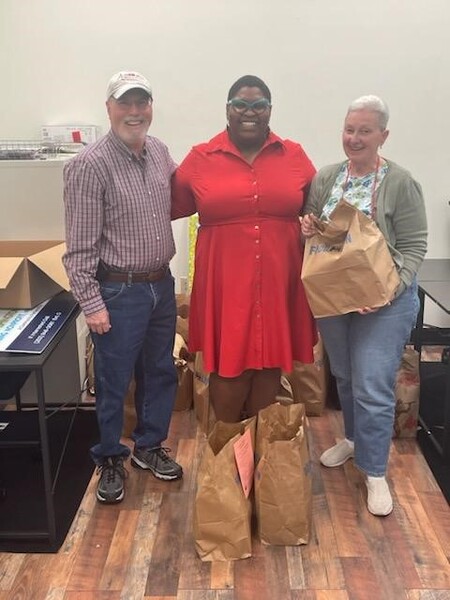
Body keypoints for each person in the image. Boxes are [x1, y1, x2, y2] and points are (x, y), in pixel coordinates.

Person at [301, 95, 427, 516]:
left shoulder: (400, 182)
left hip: (385, 303)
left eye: (365, 131)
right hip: (337, 296)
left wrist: (389, 291)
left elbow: (413, 246)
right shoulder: (327, 178)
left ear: (383, 135)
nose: (354, 139)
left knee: (373, 384)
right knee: (346, 376)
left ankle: (374, 471)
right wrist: (308, 227)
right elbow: (322, 236)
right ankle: (353, 440)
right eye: (349, 129)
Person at [63, 71, 183, 504]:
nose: (134, 112)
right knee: (113, 380)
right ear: (109, 107)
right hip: (117, 291)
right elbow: (77, 251)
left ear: (150, 107)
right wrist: (92, 305)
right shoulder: (87, 166)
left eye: (142, 103)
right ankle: (110, 455)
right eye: (125, 104)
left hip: (159, 285)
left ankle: (149, 446)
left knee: (159, 371)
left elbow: (188, 191)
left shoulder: (159, 151)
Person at [171, 74, 317, 422]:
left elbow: (318, 210)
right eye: (240, 104)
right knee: (230, 366)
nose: (249, 112)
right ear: (227, 109)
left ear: (269, 111)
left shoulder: (294, 156)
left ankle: (260, 443)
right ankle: (227, 441)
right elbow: (163, 206)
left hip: (280, 280)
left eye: (259, 105)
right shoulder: (201, 158)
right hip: (226, 283)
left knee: (270, 363)